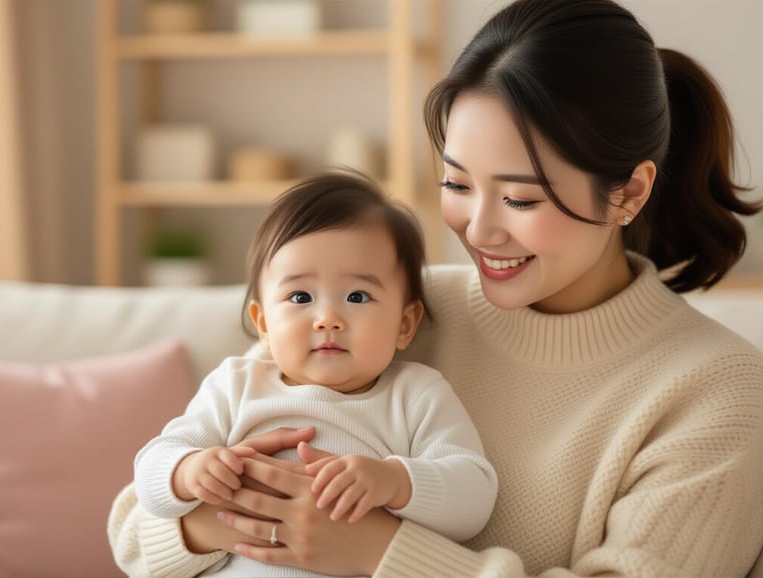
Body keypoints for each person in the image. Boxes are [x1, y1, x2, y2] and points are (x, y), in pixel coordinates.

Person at [107, 0, 763, 575]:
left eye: (520, 198)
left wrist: (376, 552)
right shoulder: (384, 305)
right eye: (457, 185)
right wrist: (232, 524)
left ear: (629, 192)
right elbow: (135, 532)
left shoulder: (713, 387)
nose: (477, 230)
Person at [129, 171, 498, 577]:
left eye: (358, 296)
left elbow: (474, 498)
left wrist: (395, 480)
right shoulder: (235, 385)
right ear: (263, 323)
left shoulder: (416, 394)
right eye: (301, 296)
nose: (328, 319)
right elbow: (150, 473)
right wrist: (187, 471)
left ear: (405, 325)